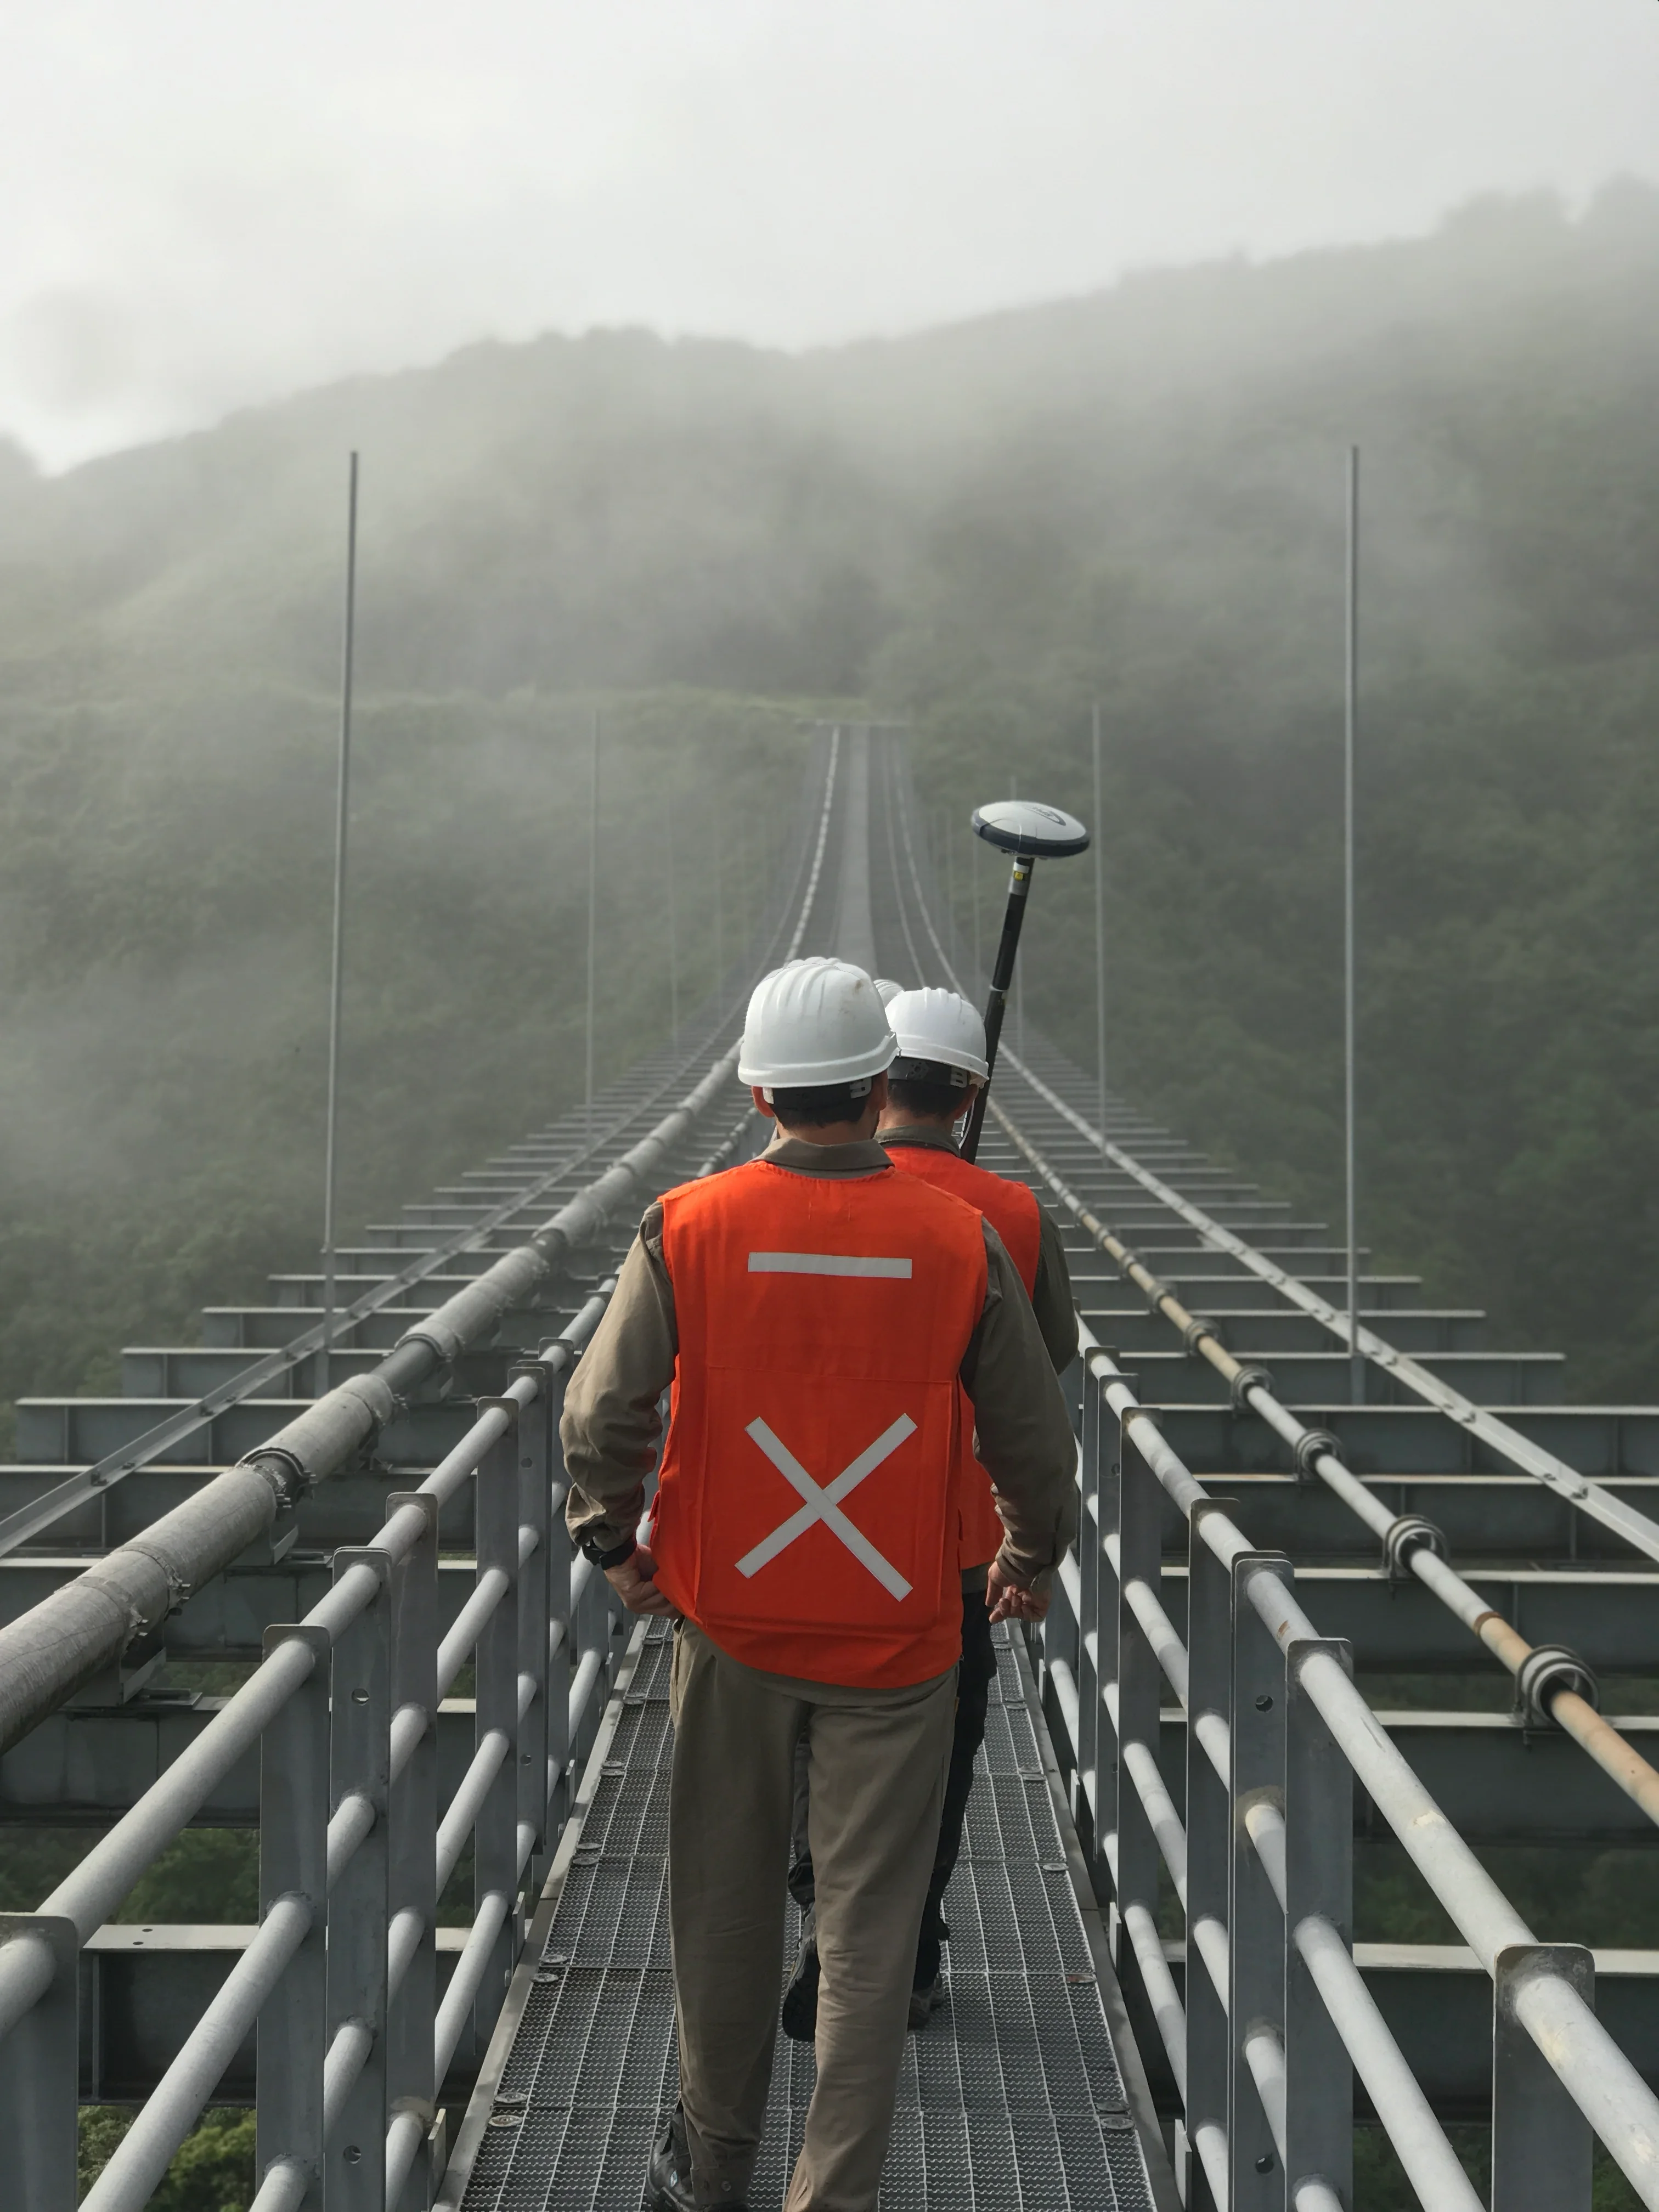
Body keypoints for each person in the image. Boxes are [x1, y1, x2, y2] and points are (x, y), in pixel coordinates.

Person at [561, 956, 1077, 2212]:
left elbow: (601, 1414)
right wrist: (1026, 1557)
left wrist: (613, 1545)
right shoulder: (960, 1237)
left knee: (723, 1908)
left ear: (753, 1093)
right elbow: (1034, 1436)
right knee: (866, 1934)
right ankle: (832, 2192)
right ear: (875, 1084)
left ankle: (715, 2162)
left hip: (729, 1624)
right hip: (902, 1642)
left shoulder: (688, 1226)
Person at [782, 985, 1079, 2037]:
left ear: (872, 1076)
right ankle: (898, 1955)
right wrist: (1030, 1554)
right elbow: (1046, 1376)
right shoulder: (1009, 1216)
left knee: (807, 1736)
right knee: (937, 1761)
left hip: (794, 1536)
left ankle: (825, 1907)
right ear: (969, 1092)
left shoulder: (772, 1195)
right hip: (950, 1549)